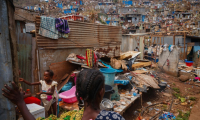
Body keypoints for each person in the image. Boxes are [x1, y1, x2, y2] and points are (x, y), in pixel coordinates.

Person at [2, 69, 125, 120]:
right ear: (101, 91)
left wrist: (20, 102)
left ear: (79, 95)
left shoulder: (70, 117)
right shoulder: (113, 118)